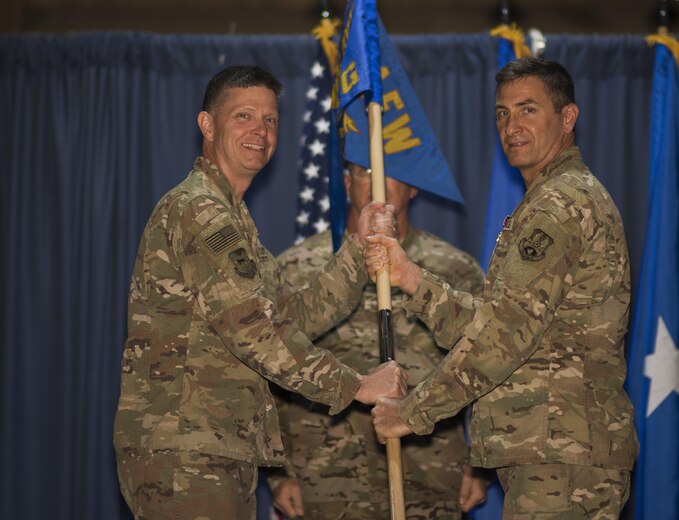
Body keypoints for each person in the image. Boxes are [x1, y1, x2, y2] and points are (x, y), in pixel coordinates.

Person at [113, 65, 406, 520]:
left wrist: (357, 247)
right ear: (207, 125)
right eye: (243, 116)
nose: (260, 131)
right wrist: (357, 385)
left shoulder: (232, 218)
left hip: (214, 445)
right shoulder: (199, 210)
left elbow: (292, 317)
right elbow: (253, 331)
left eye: (270, 119)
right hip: (187, 449)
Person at [368, 58, 638, 519]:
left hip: (561, 455)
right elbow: (498, 323)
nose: (512, 126)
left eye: (528, 109)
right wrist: (411, 278)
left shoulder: (560, 204)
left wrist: (412, 413)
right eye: (503, 113)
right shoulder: (550, 199)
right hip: (553, 449)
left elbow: (503, 335)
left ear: (567, 118)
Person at [268, 162, 489, 519]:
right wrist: (280, 472)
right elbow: (272, 366)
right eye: (364, 171)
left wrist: (480, 466)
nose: (377, 183)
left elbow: (485, 361)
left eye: (391, 171)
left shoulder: (455, 269)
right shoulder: (297, 267)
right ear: (346, 183)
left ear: (413, 187)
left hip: (431, 471)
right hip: (326, 476)